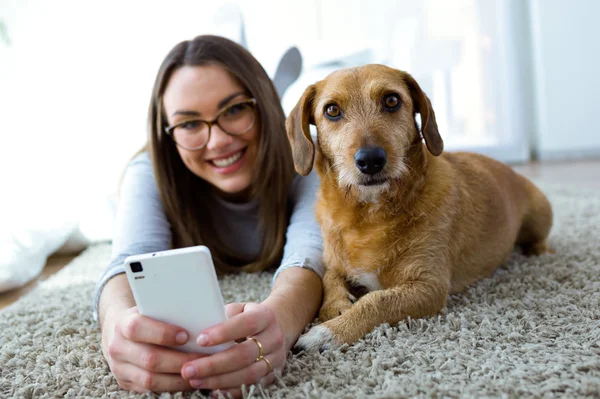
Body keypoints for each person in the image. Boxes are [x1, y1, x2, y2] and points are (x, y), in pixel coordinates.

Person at [94, 35, 324, 397]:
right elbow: (125, 262)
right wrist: (115, 325)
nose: (216, 141)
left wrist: (279, 319)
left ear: (259, 104)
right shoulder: (151, 169)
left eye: (234, 109)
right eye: (189, 124)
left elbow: (310, 256)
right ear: (168, 132)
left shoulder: (306, 155)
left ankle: (275, 92)